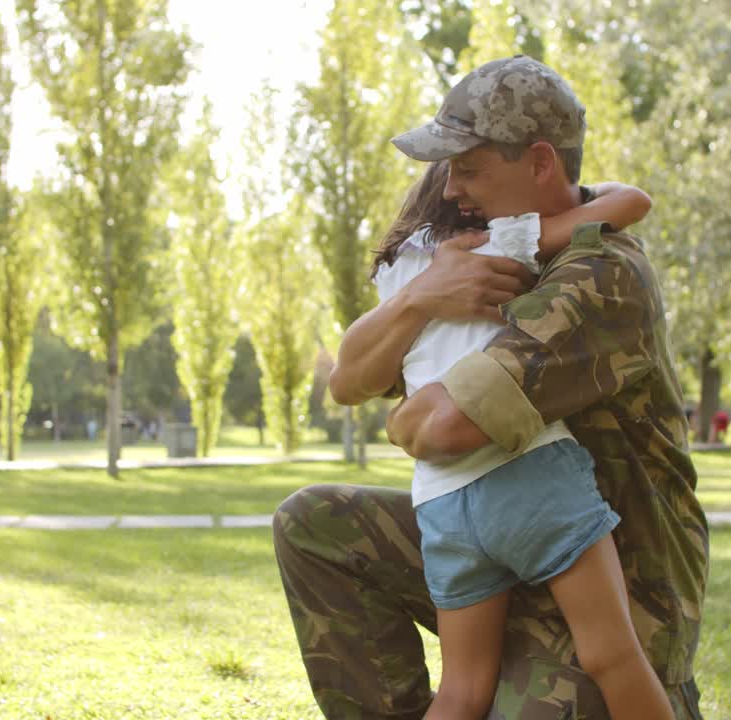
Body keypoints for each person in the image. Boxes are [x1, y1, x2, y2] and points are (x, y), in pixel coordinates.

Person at [273, 55, 708, 719]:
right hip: (499, 542)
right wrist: (420, 296)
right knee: (315, 525)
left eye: (469, 167)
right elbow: (350, 380)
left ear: (538, 164)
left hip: (613, 587)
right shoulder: (467, 262)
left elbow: (444, 427)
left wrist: (403, 422)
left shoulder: (601, 272)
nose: (450, 190)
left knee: (539, 684)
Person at [369, 157, 670, 720]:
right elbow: (630, 204)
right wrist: (584, 192)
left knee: (461, 689)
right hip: (528, 474)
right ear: (464, 206)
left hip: (441, 502)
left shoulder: (397, 274)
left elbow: (359, 370)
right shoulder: (495, 241)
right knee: (613, 654)